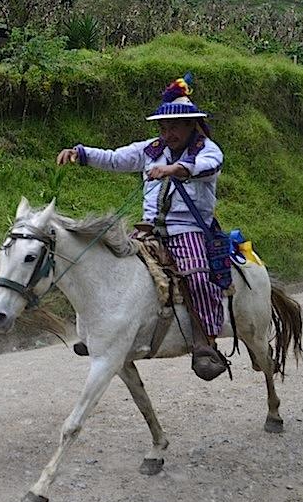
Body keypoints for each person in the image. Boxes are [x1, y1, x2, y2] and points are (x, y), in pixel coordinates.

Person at [56, 73, 228, 380]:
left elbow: (208, 167)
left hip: (187, 230)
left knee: (198, 278)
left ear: (191, 125)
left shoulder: (207, 150)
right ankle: (98, 331)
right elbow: (114, 159)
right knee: (105, 263)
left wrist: (174, 169)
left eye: (173, 127)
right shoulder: (151, 150)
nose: (167, 133)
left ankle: (205, 343)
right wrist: (80, 154)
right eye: (163, 127)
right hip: (148, 229)